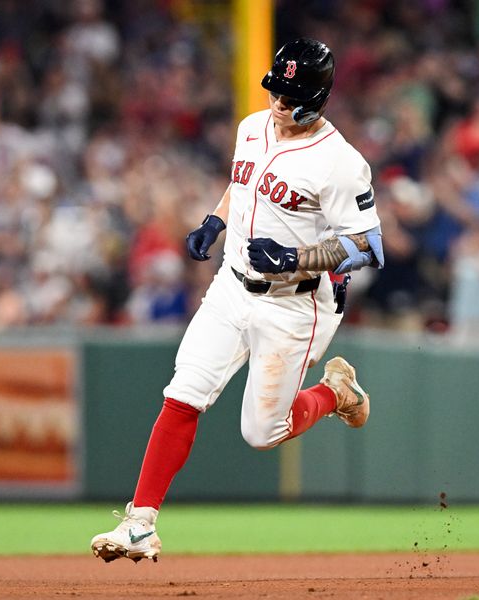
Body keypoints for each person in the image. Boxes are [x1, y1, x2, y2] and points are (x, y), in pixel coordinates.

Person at [90, 38, 384, 564]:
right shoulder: (252, 127)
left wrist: (295, 258)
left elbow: (367, 246)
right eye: (274, 89)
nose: (275, 102)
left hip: (295, 303)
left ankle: (335, 394)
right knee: (184, 392)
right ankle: (140, 523)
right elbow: (241, 186)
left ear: (316, 99)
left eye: (287, 94)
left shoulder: (341, 163)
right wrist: (216, 220)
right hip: (232, 282)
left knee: (261, 432)